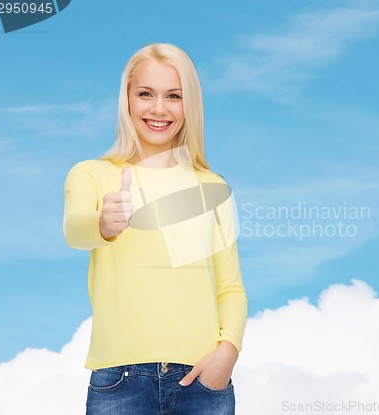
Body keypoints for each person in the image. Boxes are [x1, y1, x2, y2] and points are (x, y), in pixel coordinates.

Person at [63, 43, 248, 415]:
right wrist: (103, 223)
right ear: (127, 100)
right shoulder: (92, 174)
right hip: (120, 381)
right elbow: (75, 231)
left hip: (202, 381)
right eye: (145, 93)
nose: (159, 108)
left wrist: (227, 353)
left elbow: (230, 287)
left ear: (189, 105)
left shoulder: (212, 187)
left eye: (174, 96)